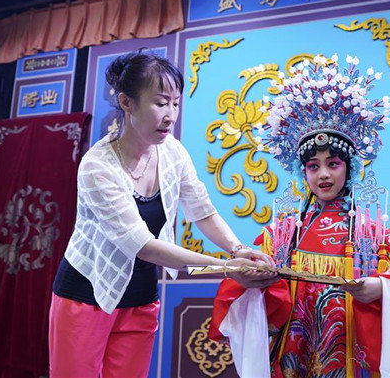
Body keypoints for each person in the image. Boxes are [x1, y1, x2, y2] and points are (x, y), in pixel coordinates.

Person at [48, 50, 276, 378]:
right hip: (86, 294)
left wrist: (237, 250)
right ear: (126, 103)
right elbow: (142, 245)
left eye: (176, 103)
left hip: (141, 296)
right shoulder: (97, 166)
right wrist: (226, 268)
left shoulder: (172, 152)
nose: (170, 115)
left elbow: (202, 211)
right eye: (160, 103)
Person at [209, 54, 390, 377]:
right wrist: (254, 278)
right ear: (303, 172)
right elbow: (247, 293)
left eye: (333, 164)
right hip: (294, 357)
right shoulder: (281, 236)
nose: (324, 174)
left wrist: (382, 288)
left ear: (349, 167)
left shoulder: (376, 237)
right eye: (314, 166)